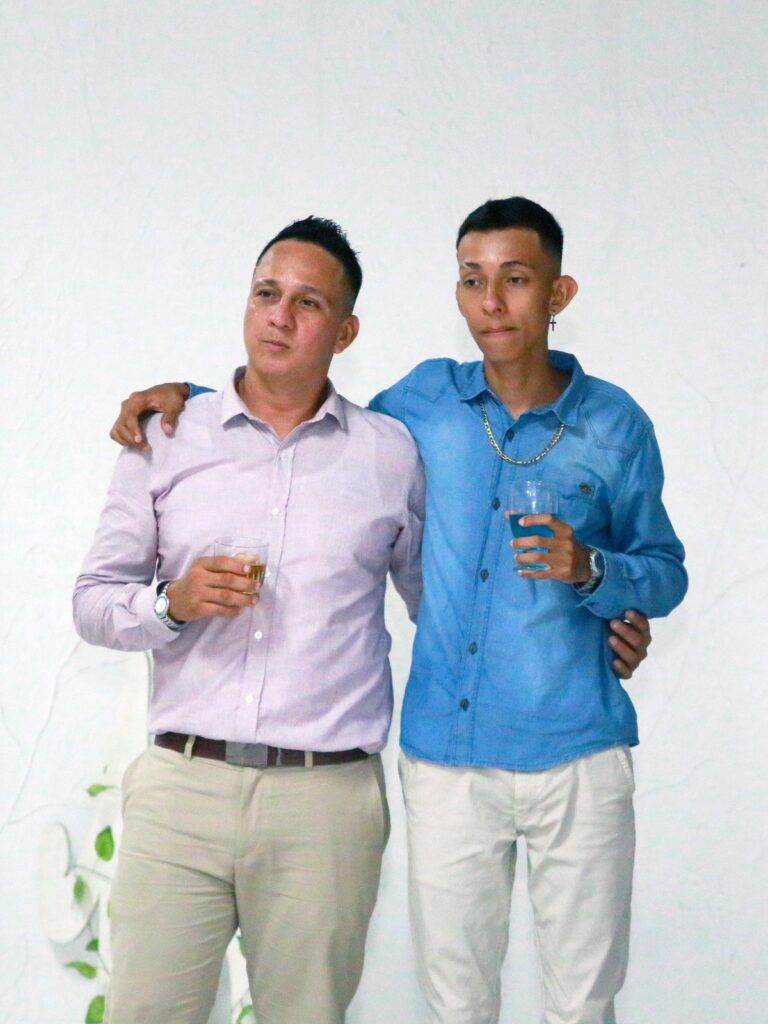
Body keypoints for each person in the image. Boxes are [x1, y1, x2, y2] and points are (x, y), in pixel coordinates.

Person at [110, 197, 680, 1024]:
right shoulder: (420, 407)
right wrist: (191, 396)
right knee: (453, 1006)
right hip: (449, 756)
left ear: (559, 294)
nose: (492, 302)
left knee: (583, 1004)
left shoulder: (615, 425)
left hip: (578, 746)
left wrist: (598, 574)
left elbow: (662, 572)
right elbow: (292, 403)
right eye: (473, 280)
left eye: (516, 280)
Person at [73, 217, 425, 1024]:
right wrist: (171, 603)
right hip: (181, 788)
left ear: (345, 332)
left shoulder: (390, 454)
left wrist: (593, 622)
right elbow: (93, 599)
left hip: (325, 802)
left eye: (308, 303)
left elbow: (443, 608)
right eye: (267, 293)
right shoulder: (166, 435)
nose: (280, 316)